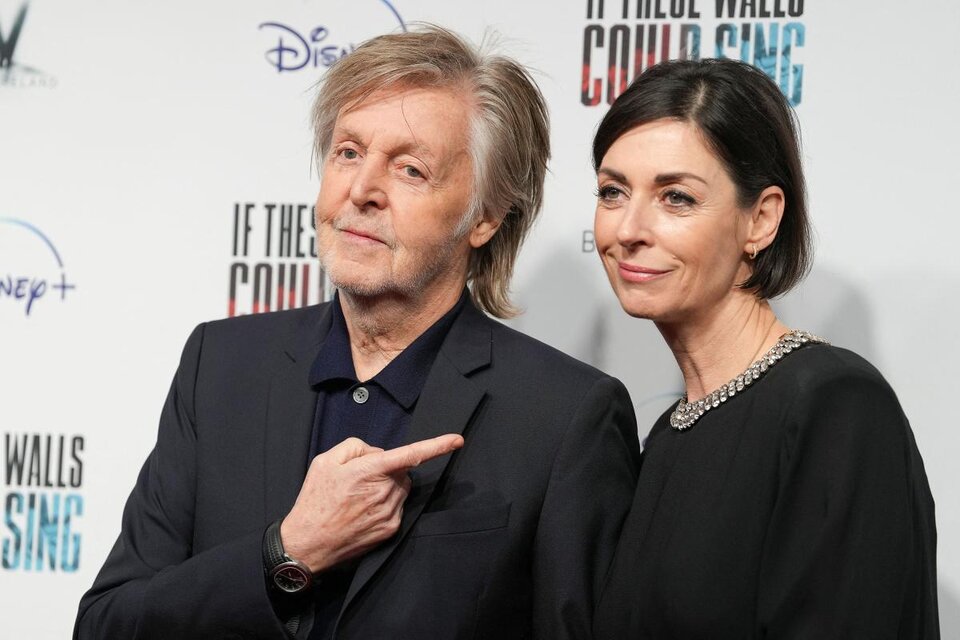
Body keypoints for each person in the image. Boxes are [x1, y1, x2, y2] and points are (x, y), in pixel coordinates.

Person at [74, 26, 641, 640]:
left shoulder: (564, 416)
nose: (361, 191)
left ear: (485, 216)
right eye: (347, 152)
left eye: (410, 169)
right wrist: (287, 554)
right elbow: (106, 625)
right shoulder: (220, 367)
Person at [589, 59, 939, 639]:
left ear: (762, 219)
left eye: (675, 197)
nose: (628, 228)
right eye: (611, 191)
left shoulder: (834, 406)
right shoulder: (670, 434)